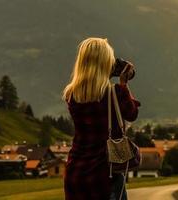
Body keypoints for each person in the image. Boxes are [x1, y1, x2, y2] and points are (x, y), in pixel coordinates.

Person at [63, 37, 140, 200]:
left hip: (75, 175)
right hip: (105, 176)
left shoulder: (71, 95)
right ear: (106, 64)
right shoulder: (115, 93)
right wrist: (124, 83)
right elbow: (132, 114)